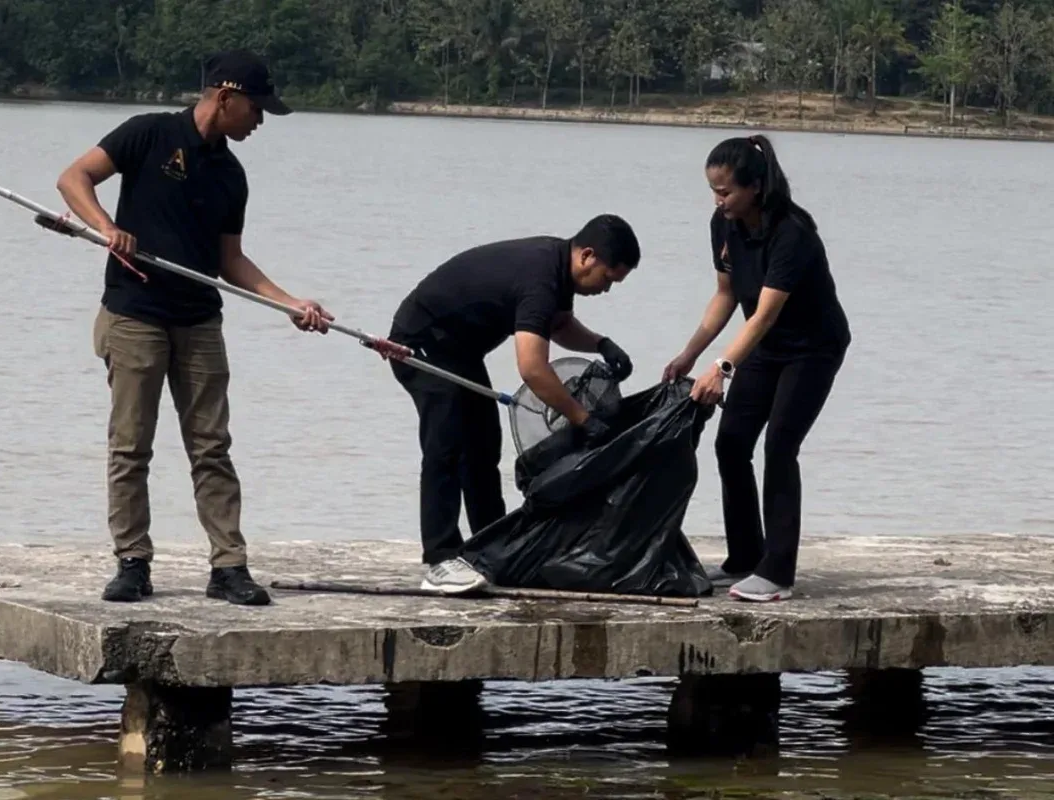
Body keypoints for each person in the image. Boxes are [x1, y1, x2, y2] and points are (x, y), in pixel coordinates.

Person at [55, 49, 333, 606]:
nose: (259, 122)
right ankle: (132, 562)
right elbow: (73, 178)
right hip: (134, 315)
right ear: (225, 97)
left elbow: (231, 259)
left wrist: (287, 302)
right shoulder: (148, 134)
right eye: (256, 110)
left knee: (212, 446)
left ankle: (228, 567)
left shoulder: (231, 174)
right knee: (131, 446)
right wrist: (108, 227)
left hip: (200, 322)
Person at [387, 214, 641, 593]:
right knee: (448, 446)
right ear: (587, 256)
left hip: (459, 351)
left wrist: (600, 344)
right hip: (421, 344)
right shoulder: (540, 279)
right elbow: (533, 369)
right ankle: (440, 558)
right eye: (608, 278)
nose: (606, 290)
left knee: (484, 445)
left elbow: (556, 324)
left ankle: (493, 548)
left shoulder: (557, 267)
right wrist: (581, 418)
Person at [662, 135, 851, 603]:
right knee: (730, 444)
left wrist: (722, 366)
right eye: (713, 190)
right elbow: (727, 296)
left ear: (755, 187)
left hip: (812, 348)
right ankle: (746, 556)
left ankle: (778, 573)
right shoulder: (723, 225)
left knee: (781, 445)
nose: (717, 200)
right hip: (765, 347)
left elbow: (765, 312)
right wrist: (689, 354)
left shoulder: (792, 233)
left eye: (725, 191)